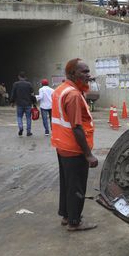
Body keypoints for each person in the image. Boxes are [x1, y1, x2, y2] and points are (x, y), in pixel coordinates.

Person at [51, 58, 98, 231]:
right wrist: (88, 154)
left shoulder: (61, 89)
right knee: (77, 186)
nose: (88, 75)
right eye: (84, 72)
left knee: (67, 183)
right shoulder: (73, 95)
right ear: (72, 74)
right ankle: (75, 221)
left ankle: (66, 215)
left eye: (88, 71)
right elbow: (77, 127)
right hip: (74, 148)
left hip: (62, 146)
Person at [10, 72, 36, 137]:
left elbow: (13, 93)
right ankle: (28, 132)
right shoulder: (29, 84)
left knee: (19, 117)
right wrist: (34, 102)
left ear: (19, 77)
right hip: (28, 104)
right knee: (28, 118)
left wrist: (12, 102)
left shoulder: (16, 84)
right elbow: (32, 94)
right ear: (25, 77)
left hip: (19, 104)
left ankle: (21, 128)